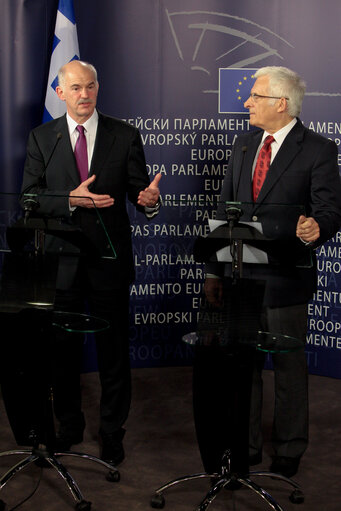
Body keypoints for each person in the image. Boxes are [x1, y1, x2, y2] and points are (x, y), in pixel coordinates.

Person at [203, 66, 341, 478]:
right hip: (240, 276)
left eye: (255, 96)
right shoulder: (244, 145)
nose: (246, 102)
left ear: (281, 103)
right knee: (241, 366)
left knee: (288, 366)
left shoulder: (318, 149)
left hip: (285, 278)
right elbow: (224, 210)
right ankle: (245, 447)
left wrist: (318, 227)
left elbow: (330, 209)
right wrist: (214, 271)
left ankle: (289, 448)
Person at [21, 60, 161, 466]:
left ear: (98, 88)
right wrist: (68, 199)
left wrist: (149, 202)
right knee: (62, 352)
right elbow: (28, 197)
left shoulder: (124, 135)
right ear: (60, 93)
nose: (85, 95)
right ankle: (69, 426)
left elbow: (141, 191)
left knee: (113, 351)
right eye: (76, 88)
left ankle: (112, 431)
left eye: (91, 87)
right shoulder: (41, 137)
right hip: (60, 264)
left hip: (109, 262)